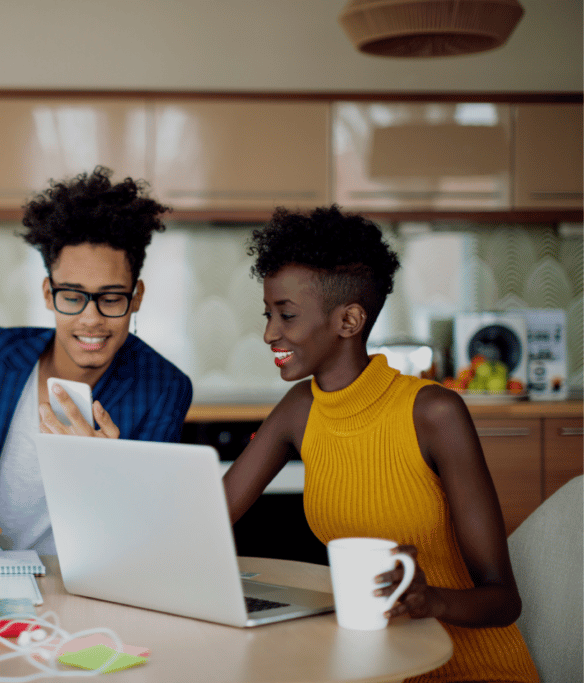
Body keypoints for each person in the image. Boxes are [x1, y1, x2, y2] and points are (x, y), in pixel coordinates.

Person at [223, 206, 538, 682]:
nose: (270, 332)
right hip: (374, 668)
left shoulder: (433, 413)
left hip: (471, 669)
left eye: (286, 315)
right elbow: (210, 517)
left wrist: (431, 599)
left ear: (349, 320)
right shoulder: (298, 409)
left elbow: (503, 600)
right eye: (269, 314)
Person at [0, 166, 193, 563]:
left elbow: (146, 534)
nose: (91, 318)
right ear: (49, 294)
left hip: (79, 591)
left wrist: (105, 475)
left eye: (112, 298)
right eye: (72, 296)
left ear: (136, 297)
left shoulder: (163, 388)